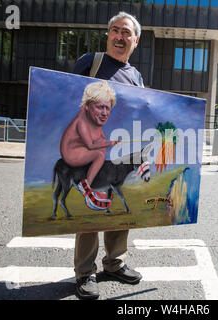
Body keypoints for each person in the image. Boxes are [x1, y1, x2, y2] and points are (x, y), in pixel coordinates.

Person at [71, 11, 144, 300]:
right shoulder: (91, 63)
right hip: (92, 149)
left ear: (135, 41)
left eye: (126, 33)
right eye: (115, 30)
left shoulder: (136, 75)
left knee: (119, 209)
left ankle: (114, 263)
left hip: (121, 152)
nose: (119, 36)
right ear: (108, 35)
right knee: (89, 212)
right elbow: (66, 98)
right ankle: (84, 272)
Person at [60, 80, 120, 208]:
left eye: (107, 108)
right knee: (99, 155)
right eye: (100, 107)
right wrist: (111, 143)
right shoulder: (82, 122)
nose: (104, 112)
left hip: (80, 150)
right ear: (87, 106)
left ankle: (91, 182)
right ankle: (86, 186)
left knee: (101, 148)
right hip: (71, 153)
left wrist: (104, 141)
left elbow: (99, 138)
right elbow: (90, 146)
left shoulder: (95, 121)